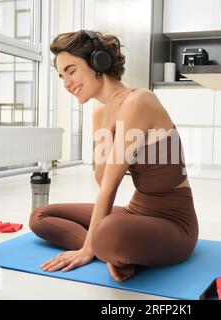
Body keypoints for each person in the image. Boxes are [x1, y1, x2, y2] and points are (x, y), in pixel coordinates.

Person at [29, 30, 199, 282]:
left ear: (99, 62)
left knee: (108, 232)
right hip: (135, 212)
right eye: (61, 76)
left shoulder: (139, 101)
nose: (66, 83)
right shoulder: (100, 113)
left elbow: (110, 186)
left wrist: (87, 250)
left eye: (71, 70)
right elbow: (101, 178)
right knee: (40, 216)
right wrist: (107, 125)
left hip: (174, 223)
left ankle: (105, 245)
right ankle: (110, 248)